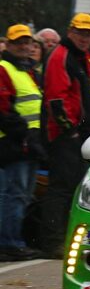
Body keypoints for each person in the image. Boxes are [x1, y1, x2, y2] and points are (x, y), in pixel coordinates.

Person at [38, 14, 90, 257]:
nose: (84, 38)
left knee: (74, 188)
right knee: (61, 189)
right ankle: (52, 242)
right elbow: (56, 99)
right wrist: (70, 132)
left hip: (82, 135)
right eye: (80, 33)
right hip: (65, 136)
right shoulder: (61, 56)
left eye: (89, 34)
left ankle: (65, 237)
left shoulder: (83, 58)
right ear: (70, 31)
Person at [0, 24, 45, 260]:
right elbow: (4, 109)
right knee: (14, 194)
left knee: (22, 195)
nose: (24, 46)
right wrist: (24, 135)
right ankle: (9, 243)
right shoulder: (4, 68)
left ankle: (14, 241)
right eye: (18, 42)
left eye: (27, 42)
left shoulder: (27, 70)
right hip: (14, 143)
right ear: (7, 44)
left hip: (28, 143)